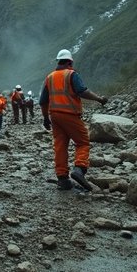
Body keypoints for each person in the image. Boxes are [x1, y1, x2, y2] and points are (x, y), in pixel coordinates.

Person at [39, 49, 107, 191]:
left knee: (60, 146)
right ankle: (79, 169)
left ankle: (62, 179)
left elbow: (43, 100)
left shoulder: (49, 77)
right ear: (70, 62)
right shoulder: (71, 74)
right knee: (82, 142)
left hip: (55, 116)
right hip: (70, 114)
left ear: (58, 61)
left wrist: (46, 118)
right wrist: (99, 99)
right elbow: (82, 91)